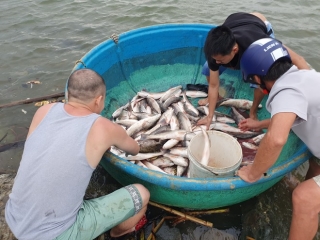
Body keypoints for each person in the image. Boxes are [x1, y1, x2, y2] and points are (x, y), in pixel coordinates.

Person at [5, 69, 150, 240]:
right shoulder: (103, 127)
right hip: (55, 235)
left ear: (68, 94)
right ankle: (118, 233)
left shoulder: (44, 111)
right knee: (142, 193)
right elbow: (135, 149)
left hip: (14, 217)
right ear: (99, 100)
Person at [237, 38, 320, 240]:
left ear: (257, 78)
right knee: (315, 167)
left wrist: (253, 173)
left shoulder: (287, 92)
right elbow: (292, 115)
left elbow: (276, 139)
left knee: (304, 197)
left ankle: (309, 211)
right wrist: (258, 124)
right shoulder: (306, 75)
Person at [197, 12, 310, 130]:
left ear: (234, 50)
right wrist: (210, 116)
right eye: (216, 60)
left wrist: (311, 90)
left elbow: (298, 59)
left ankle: (253, 111)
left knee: (260, 79)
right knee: (208, 69)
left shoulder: (258, 44)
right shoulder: (215, 52)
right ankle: (216, 98)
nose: (217, 62)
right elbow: (214, 85)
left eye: (220, 60)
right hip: (238, 23)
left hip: (258, 25)